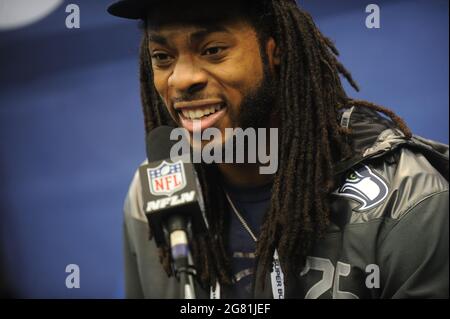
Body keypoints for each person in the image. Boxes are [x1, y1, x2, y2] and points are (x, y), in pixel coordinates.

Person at [108, 0, 449, 299]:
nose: (181, 80)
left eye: (212, 49)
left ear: (276, 48)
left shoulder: (406, 198)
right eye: (163, 57)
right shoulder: (152, 195)